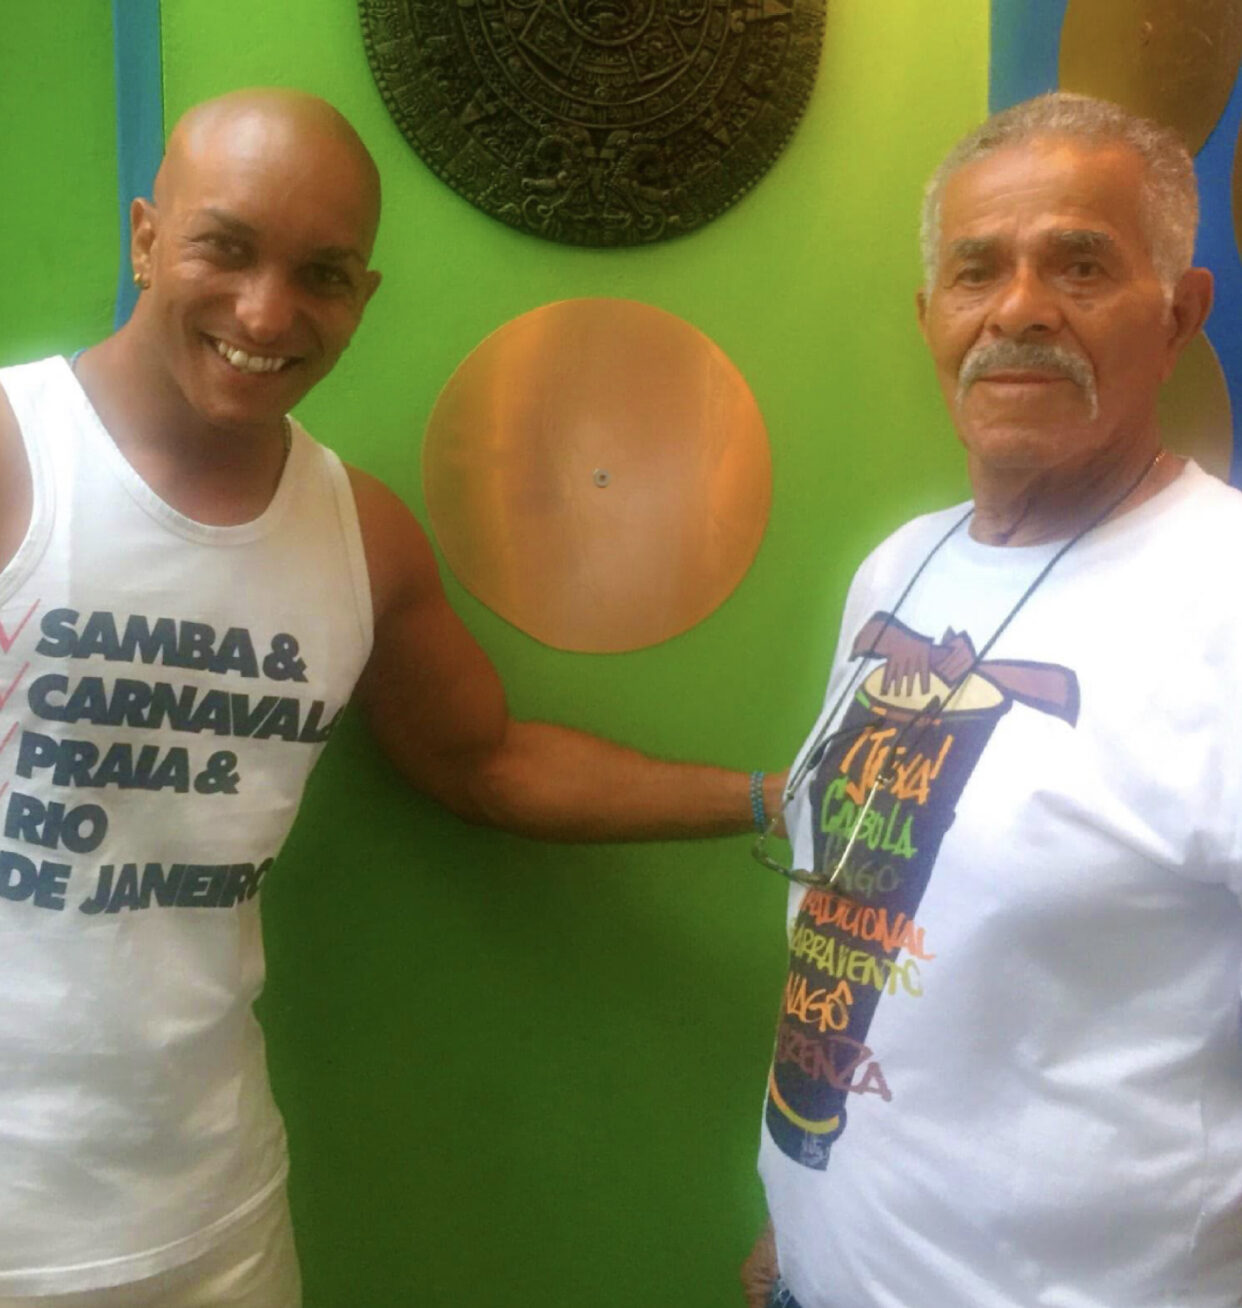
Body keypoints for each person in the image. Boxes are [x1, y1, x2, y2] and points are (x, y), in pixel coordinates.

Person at [0, 88, 782, 1306]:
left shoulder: (358, 537)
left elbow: (487, 762)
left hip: (213, 1215)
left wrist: (772, 798)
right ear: (145, 237)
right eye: (224, 247)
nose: (266, 312)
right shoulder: (19, 452)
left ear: (362, 297)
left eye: (321, 274)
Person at [743, 91, 1238, 1308]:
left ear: (1179, 315)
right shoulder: (899, 571)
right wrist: (804, 1216)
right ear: (931, 318)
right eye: (977, 271)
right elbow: (878, 918)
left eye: (1081, 265)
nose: (1019, 309)